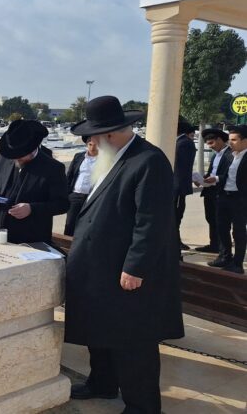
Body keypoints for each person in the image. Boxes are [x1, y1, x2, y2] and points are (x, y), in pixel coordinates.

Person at [64, 95, 183, 413]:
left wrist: (136, 267)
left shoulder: (148, 161)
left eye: (94, 137)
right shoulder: (114, 156)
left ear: (110, 134)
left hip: (125, 272)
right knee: (100, 331)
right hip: (100, 269)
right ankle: (102, 383)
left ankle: (142, 406)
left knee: (133, 343)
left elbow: (152, 222)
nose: (91, 143)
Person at [0, 120, 68, 245]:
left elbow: (62, 204)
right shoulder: (5, 156)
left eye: (20, 155)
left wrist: (31, 208)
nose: (16, 159)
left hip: (29, 237)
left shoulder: (54, 168)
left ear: (32, 149)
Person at [209, 125, 247, 273]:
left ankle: (237, 263)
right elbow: (227, 175)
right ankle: (225, 257)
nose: (230, 143)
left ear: (245, 141)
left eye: (234, 140)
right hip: (224, 196)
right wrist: (216, 178)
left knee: (238, 232)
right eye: (229, 139)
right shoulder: (229, 155)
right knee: (221, 228)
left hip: (240, 199)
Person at [196, 129, 232, 255]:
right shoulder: (215, 155)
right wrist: (201, 179)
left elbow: (231, 175)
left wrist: (216, 179)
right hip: (210, 191)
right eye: (208, 144)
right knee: (211, 219)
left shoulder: (230, 155)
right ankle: (214, 245)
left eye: (212, 143)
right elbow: (211, 172)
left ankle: (224, 251)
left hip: (222, 192)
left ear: (220, 140)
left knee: (221, 222)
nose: (210, 146)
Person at [64, 136, 98, 236]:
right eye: (90, 144)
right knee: (70, 223)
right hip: (75, 195)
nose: (92, 147)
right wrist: (67, 194)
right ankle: (67, 243)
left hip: (91, 197)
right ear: (87, 144)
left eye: (95, 145)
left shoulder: (104, 159)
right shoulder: (78, 156)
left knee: (87, 224)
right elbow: (70, 175)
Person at [174, 121, 196, 251]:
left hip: (177, 188)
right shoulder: (181, 142)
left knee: (176, 216)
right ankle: (176, 241)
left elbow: (181, 168)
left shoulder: (184, 143)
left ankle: (176, 243)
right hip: (176, 187)